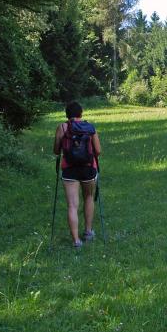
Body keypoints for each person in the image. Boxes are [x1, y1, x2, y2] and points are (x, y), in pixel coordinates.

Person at [53, 101, 102, 248]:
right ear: (81, 113)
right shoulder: (90, 127)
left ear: (67, 114)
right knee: (89, 197)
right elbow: (98, 151)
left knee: (72, 205)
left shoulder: (62, 127)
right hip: (88, 168)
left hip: (69, 169)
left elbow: (56, 151)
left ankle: (76, 241)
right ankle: (88, 232)